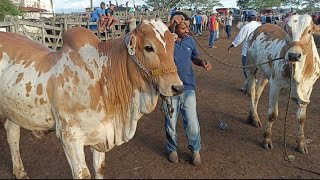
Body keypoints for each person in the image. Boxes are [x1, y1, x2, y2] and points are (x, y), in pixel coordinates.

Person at [165, 11, 212, 166]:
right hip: (170, 88)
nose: (186, 30)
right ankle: (172, 149)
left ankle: (195, 150)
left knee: (192, 121)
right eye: (183, 27)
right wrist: (171, 24)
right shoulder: (166, 41)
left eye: (188, 27)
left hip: (188, 87)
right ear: (175, 25)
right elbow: (159, 33)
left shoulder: (190, 41)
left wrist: (202, 62)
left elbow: (194, 57)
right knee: (170, 122)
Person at [227, 11, 261, 93]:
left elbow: (239, 39)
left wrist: (231, 46)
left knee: (247, 71)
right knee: (254, 70)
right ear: (256, 17)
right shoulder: (260, 26)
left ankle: (250, 87)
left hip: (247, 53)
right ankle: (248, 85)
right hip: (259, 53)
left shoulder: (246, 27)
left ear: (248, 18)